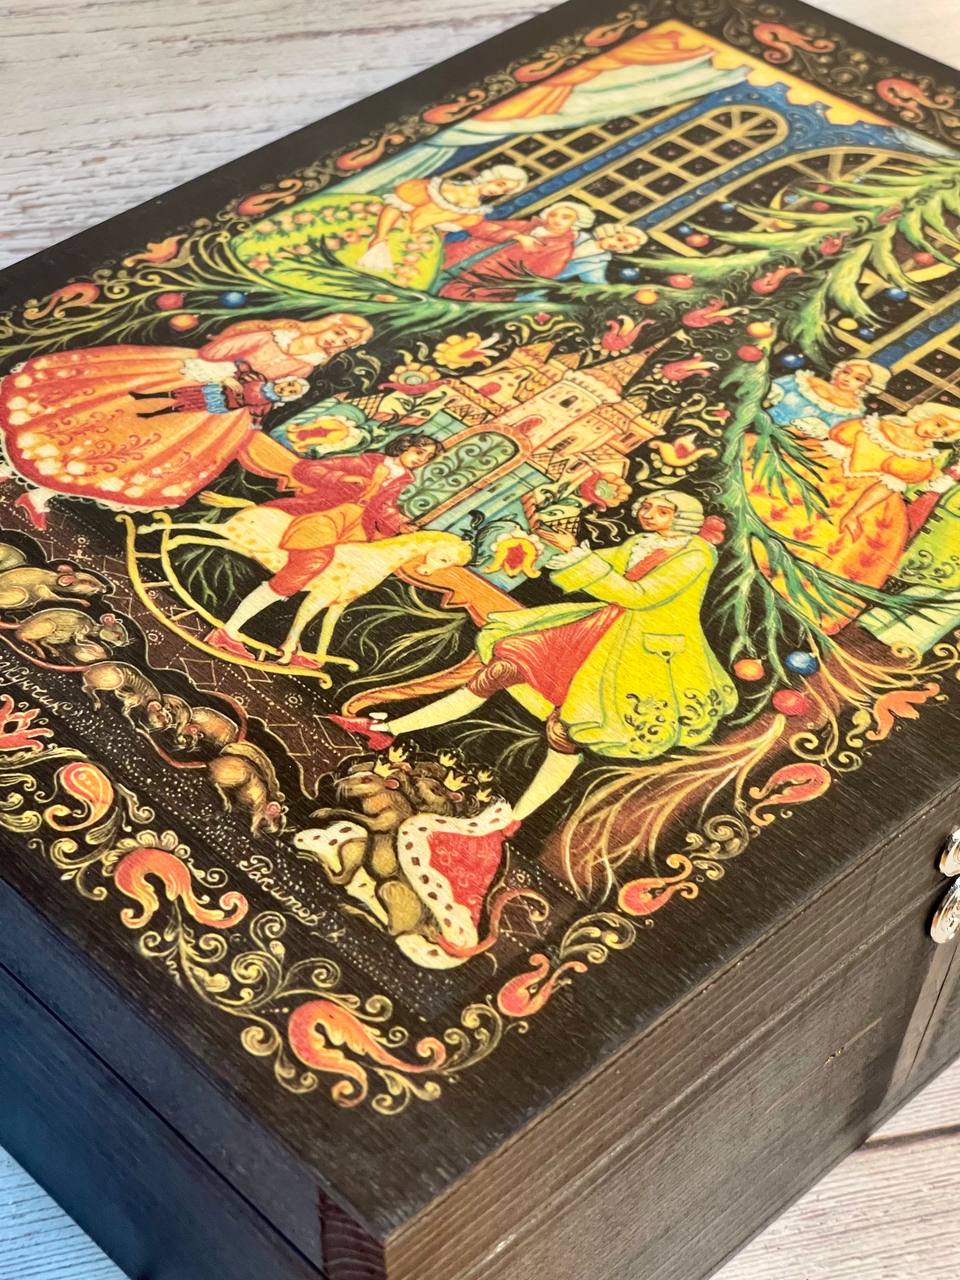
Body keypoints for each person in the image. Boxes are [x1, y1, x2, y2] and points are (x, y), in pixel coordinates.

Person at [331, 490, 736, 820]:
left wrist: (579, 556)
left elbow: (640, 595)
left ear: (684, 520)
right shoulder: (641, 542)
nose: (647, 513)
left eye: (661, 511)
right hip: (596, 627)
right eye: (647, 506)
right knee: (501, 668)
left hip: (641, 652)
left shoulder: (695, 555)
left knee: (567, 730)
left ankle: (516, 818)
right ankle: (389, 728)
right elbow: (597, 566)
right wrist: (558, 545)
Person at [0, 313, 373, 527]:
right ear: (328, 323)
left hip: (218, 410)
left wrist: (262, 397)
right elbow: (215, 351)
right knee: (102, 417)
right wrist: (237, 374)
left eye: (345, 343)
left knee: (135, 456)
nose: (336, 342)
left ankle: (40, 494)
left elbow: (269, 391)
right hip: (189, 378)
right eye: (339, 333)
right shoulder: (273, 336)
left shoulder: (307, 365)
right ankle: (8, 465)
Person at [205, 434, 442, 665]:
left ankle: (292, 643)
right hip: (324, 517)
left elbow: (384, 507)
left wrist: (400, 524)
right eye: (419, 452)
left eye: (428, 457)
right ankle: (228, 631)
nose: (421, 459)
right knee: (311, 564)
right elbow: (306, 469)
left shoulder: (401, 479)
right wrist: (342, 478)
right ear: (403, 447)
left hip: (353, 528)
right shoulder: (366, 462)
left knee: (336, 580)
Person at [746, 401, 960, 631]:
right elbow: (830, 446)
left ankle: (778, 599)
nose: (936, 433)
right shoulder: (873, 426)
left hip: (869, 503)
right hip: (827, 474)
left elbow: (885, 487)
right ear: (927, 414)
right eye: (938, 424)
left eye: (944, 434)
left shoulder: (921, 458)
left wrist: (855, 513)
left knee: (837, 545)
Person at [438, 201, 595, 301]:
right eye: (553, 215)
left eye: (565, 217)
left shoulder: (562, 249)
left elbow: (537, 277)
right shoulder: (526, 226)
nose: (557, 220)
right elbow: (479, 226)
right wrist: (516, 236)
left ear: (576, 222)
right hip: (457, 259)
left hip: (484, 281)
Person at [130, 361, 308, 424]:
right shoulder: (259, 378)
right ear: (285, 380)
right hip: (217, 391)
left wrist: (255, 425)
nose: (286, 388)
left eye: (291, 391)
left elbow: (257, 416)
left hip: (223, 403)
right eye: (289, 384)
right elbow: (243, 369)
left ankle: (152, 414)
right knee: (182, 393)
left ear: (289, 396)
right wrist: (232, 375)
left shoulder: (266, 404)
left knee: (185, 406)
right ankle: (145, 396)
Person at [765, 357, 889, 438]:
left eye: (858, 379)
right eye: (846, 372)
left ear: (867, 386)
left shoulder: (853, 414)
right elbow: (762, 399)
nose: (847, 378)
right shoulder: (802, 381)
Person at [554, 221, 649, 285]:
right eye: (620, 239)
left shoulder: (600, 262)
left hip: (547, 282)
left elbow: (596, 282)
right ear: (611, 232)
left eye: (625, 247)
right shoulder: (575, 236)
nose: (617, 245)